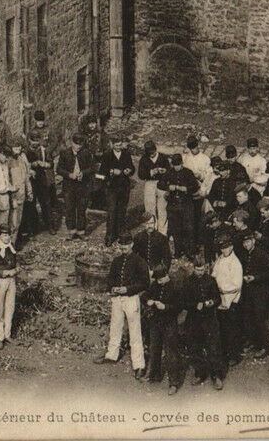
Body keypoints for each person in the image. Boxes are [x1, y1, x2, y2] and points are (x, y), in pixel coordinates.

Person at [94, 232, 149, 379]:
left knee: (135, 331)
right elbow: (110, 278)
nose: (123, 247)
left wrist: (127, 289)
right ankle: (112, 355)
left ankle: (139, 365)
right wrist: (112, 288)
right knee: (115, 327)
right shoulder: (116, 261)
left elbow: (145, 283)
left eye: (126, 244)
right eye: (121, 244)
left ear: (131, 244)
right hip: (117, 299)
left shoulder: (139, 261)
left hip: (131, 298)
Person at [183, 255, 225, 390]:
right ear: (193, 268)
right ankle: (200, 373)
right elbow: (184, 302)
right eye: (197, 270)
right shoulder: (188, 282)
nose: (200, 273)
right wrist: (195, 305)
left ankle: (216, 375)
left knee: (213, 347)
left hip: (209, 319)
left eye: (202, 270)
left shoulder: (211, 281)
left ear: (205, 268)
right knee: (195, 347)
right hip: (194, 320)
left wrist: (212, 302)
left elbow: (218, 298)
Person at [141, 265, 182, 394]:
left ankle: (174, 383)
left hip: (169, 323)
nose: (158, 282)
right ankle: (155, 375)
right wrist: (148, 301)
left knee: (171, 353)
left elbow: (179, 307)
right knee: (155, 349)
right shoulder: (155, 285)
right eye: (157, 279)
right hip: (155, 323)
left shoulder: (175, 287)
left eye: (160, 279)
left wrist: (165, 307)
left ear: (166, 276)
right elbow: (144, 296)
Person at [158, 153, 199, 260]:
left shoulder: (188, 172)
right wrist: (168, 186)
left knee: (188, 228)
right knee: (175, 229)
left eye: (178, 165)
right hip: (173, 204)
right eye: (174, 165)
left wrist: (185, 189)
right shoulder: (169, 172)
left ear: (182, 163)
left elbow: (195, 186)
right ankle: (178, 251)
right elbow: (160, 184)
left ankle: (190, 251)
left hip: (186, 204)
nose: (176, 167)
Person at [240, 230, 269, 358]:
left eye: (248, 242)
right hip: (249, 291)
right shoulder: (245, 254)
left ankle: (265, 346)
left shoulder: (261, 254)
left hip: (260, 291)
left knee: (259, 319)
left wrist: (255, 278)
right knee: (248, 317)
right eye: (244, 243)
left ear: (253, 241)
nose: (246, 245)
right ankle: (254, 342)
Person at [57, 133, 95, 240]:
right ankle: (72, 230)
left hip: (82, 186)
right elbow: (59, 169)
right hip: (69, 186)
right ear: (72, 143)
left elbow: (92, 168)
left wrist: (83, 173)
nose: (78, 147)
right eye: (76, 144)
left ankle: (81, 231)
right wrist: (69, 174)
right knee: (70, 208)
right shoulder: (65, 153)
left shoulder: (86, 153)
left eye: (80, 145)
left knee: (81, 208)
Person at [212, 236, 243, 366]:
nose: (224, 250)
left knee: (231, 330)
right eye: (222, 248)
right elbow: (214, 274)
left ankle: (234, 355)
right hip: (220, 300)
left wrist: (221, 288)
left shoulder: (235, 263)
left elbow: (236, 285)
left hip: (230, 300)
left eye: (226, 247)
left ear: (231, 247)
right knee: (222, 329)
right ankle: (225, 353)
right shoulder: (220, 259)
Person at [99, 134, 135, 246]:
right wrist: (111, 171)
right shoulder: (107, 155)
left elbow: (132, 168)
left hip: (124, 187)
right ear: (112, 144)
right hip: (112, 188)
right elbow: (101, 173)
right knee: (112, 211)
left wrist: (129, 170)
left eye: (120, 145)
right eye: (116, 145)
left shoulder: (126, 154)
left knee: (122, 211)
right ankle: (109, 236)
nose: (119, 147)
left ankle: (121, 234)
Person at [182, 135, 215, 244]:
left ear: (198, 146)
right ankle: (193, 238)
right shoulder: (187, 158)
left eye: (195, 148)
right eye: (191, 149)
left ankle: (202, 238)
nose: (193, 150)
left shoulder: (205, 159)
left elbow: (209, 175)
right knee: (192, 215)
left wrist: (200, 176)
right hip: (190, 190)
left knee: (202, 214)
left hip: (201, 189)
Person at [0, 225, 18, 349]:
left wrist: (17, 268)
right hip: (1, 282)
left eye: (8, 235)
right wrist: (6, 273)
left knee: (10, 306)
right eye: (4, 235)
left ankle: (7, 333)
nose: (7, 238)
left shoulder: (11, 247)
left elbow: (15, 260)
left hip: (11, 280)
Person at [25, 133, 57, 234]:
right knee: (31, 204)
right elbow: (22, 165)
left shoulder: (43, 150)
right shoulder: (25, 152)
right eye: (33, 141)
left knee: (45, 203)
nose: (35, 143)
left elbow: (51, 163)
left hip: (42, 179)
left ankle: (50, 226)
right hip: (30, 180)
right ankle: (34, 228)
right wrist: (31, 165)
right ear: (29, 141)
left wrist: (44, 164)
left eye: (37, 141)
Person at [137, 140, 169, 225]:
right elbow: (140, 175)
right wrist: (151, 172)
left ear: (155, 149)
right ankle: (151, 230)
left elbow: (169, 172)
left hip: (162, 183)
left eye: (153, 152)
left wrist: (164, 171)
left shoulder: (163, 157)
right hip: (150, 183)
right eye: (149, 153)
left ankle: (162, 232)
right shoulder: (144, 159)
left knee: (162, 208)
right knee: (150, 207)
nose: (151, 155)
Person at [9, 139, 34, 245]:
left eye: (19, 148)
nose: (17, 150)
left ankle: (14, 243)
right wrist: (12, 198)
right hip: (13, 196)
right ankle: (9, 245)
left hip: (22, 195)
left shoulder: (22, 158)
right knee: (12, 223)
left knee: (18, 222)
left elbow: (26, 177)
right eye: (15, 148)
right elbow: (8, 181)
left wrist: (29, 192)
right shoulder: (8, 161)